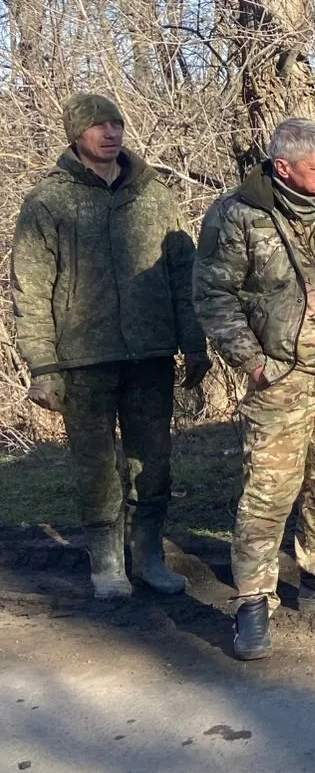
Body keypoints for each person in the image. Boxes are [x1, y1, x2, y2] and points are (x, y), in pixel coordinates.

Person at [10, 93, 210, 599]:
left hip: (151, 353)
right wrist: (44, 364)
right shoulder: (48, 201)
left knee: (154, 461)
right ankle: (106, 565)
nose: (110, 133)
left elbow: (181, 270)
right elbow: (30, 286)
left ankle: (147, 557)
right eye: (98, 125)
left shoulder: (152, 194)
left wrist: (194, 343)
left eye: (116, 123)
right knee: (96, 467)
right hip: (82, 358)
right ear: (76, 133)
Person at [194, 118, 315, 660]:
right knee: (270, 491)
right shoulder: (239, 216)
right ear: (282, 168)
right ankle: (253, 600)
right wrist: (252, 363)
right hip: (280, 375)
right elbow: (214, 297)